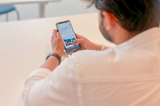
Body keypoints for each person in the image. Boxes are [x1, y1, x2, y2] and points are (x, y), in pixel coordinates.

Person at [22, 0, 160, 106]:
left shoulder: (81, 67)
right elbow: (136, 53)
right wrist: (98, 48)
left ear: (109, 18)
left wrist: (56, 54)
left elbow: (30, 97)